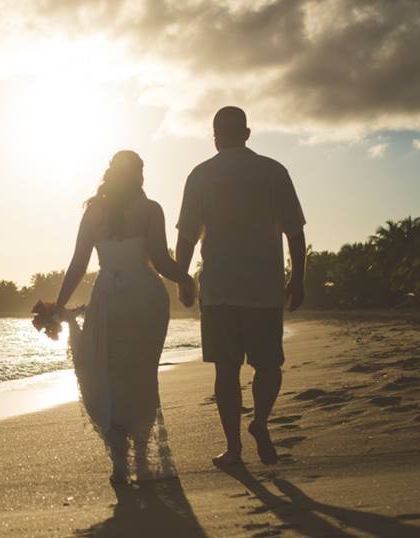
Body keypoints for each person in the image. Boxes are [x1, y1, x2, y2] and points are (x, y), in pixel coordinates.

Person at [175, 106, 307, 466]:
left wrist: (182, 279)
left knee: (226, 370)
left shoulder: (201, 175)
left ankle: (233, 449)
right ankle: (260, 423)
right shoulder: (273, 171)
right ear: (247, 134)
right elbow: (295, 231)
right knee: (268, 365)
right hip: (264, 288)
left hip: (219, 290)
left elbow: (186, 237)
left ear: (215, 137)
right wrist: (298, 279)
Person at [54, 150, 195, 484]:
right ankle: (142, 454)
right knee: (142, 375)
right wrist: (187, 280)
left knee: (108, 374)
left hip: (109, 300)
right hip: (146, 297)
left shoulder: (93, 213)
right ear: (139, 175)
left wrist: (60, 304)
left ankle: (119, 462)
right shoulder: (150, 210)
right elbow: (160, 261)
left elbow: (77, 263)